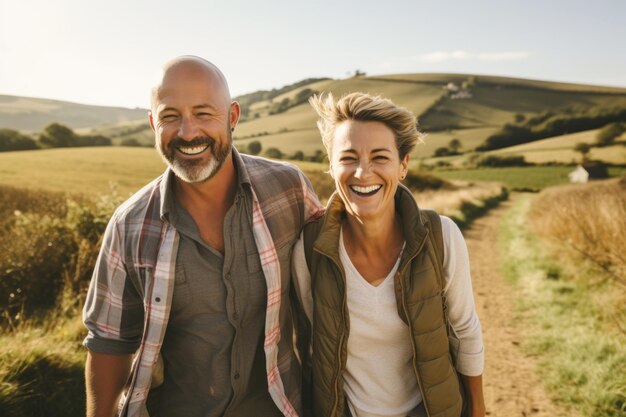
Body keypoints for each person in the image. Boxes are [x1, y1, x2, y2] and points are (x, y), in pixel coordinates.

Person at [82, 56, 323, 417]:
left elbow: (337, 282)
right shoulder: (129, 225)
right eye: (170, 116)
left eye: (203, 113)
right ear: (152, 123)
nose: (188, 132)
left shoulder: (287, 190)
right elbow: (108, 343)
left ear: (233, 117)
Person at [292, 92, 485, 417]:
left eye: (380, 157)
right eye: (348, 157)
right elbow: (309, 345)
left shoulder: (442, 237)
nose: (362, 173)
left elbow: (466, 331)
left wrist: (478, 411)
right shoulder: (309, 249)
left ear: (403, 165)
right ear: (331, 165)